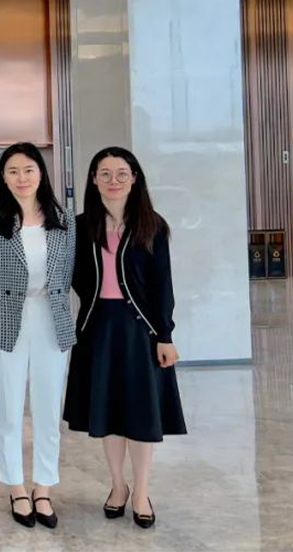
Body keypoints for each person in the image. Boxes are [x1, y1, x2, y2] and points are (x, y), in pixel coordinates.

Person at [63, 146, 186, 529]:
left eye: (121, 173)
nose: (113, 180)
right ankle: (118, 486)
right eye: (105, 173)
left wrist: (164, 334)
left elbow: (163, 285)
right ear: (94, 179)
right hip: (98, 328)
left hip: (141, 331)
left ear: (134, 178)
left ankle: (142, 491)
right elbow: (73, 277)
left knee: (141, 413)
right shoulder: (81, 226)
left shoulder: (152, 225)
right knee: (110, 412)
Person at [0, 142, 76, 529]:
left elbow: (66, 272)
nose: (21, 178)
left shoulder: (63, 219)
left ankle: (43, 487)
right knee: (9, 407)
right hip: (5, 321)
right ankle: (16, 486)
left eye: (28, 170)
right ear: (3, 177)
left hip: (51, 317)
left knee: (48, 407)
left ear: (41, 173)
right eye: (12, 171)